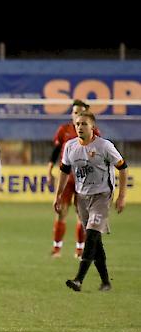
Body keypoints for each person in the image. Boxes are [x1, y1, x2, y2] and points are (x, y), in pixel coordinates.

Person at [54, 111, 127, 292]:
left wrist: (122, 196)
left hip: (102, 196)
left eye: (84, 124)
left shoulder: (104, 146)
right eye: (78, 124)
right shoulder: (70, 147)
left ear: (92, 127)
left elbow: (123, 168)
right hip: (82, 198)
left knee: (92, 236)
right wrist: (59, 195)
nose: (80, 127)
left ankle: (79, 279)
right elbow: (64, 171)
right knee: (95, 241)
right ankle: (105, 282)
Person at [48, 99, 100, 259]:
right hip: (67, 178)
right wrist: (49, 170)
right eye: (75, 112)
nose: (77, 115)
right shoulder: (64, 130)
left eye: (81, 112)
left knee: (81, 215)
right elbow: (56, 151)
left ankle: (80, 249)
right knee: (61, 212)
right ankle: (57, 248)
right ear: (71, 114)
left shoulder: (94, 132)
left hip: (85, 179)